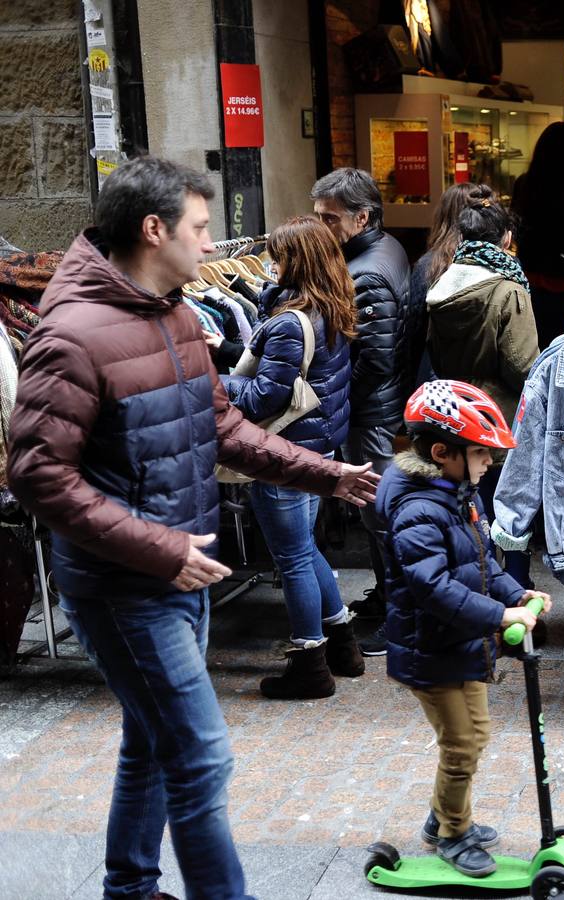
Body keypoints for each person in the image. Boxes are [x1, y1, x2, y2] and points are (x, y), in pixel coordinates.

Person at [6, 156, 380, 900]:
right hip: (125, 585)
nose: (212, 247)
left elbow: (223, 429)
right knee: (203, 756)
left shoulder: (175, 314)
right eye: (201, 228)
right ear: (154, 230)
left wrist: (326, 473)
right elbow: (38, 474)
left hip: (183, 571)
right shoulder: (73, 334)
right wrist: (164, 546)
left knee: (152, 744)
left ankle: (130, 890)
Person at [379, 380, 552, 876]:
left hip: (458, 643)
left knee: (473, 735)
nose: (488, 463)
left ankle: (443, 818)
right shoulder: (418, 510)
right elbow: (433, 590)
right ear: (442, 452)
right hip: (429, 647)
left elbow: (480, 565)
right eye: (480, 453)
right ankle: (453, 834)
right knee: (461, 744)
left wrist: (514, 596)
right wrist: (501, 618)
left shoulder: (455, 493)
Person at [223, 216, 363, 699]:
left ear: (296, 261)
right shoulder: (332, 306)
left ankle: (310, 666)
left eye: (278, 255)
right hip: (316, 448)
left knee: (293, 558)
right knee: (305, 548)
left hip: (285, 454)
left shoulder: (289, 321)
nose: (270, 263)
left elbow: (263, 398)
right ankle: (342, 643)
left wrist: (213, 382)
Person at [311, 167, 418, 637]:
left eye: (329, 219)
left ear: (362, 218)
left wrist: (334, 394)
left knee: (379, 515)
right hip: (382, 403)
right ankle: (391, 597)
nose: (322, 229)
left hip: (374, 409)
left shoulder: (366, 271)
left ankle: (400, 613)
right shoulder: (385, 248)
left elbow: (375, 357)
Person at [425, 188, 538, 588]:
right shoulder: (508, 289)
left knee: (474, 509)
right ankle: (517, 594)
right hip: (501, 416)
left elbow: (436, 358)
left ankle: (479, 587)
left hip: (458, 411)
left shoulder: (440, 286)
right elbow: (523, 364)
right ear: (506, 238)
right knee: (511, 511)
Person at [511, 122, 564, 347]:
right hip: (559, 275)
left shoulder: (525, 183)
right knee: (559, 337)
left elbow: (517, 225)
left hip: (529, 271)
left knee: (535, 335)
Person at [410, 183, 489, 385]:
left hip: (436, 377)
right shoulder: (497, 262)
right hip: (482, 376)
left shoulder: (429, 264)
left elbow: (415, 329)